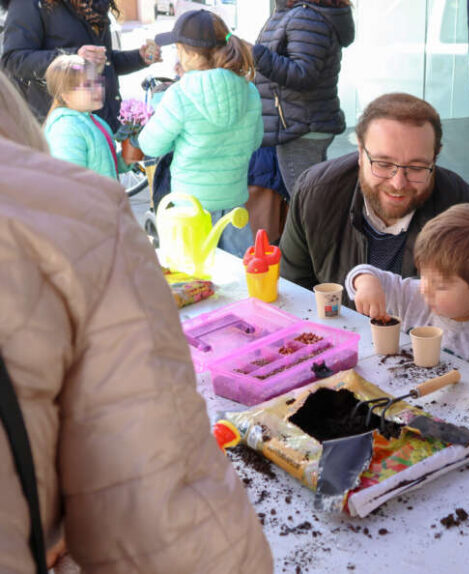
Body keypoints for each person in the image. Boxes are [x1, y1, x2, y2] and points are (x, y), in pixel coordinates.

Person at [0, 69, 272, 574]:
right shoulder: (68, 209)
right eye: (86, 82)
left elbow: (149, 142)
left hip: (190, 196)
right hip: (225, 198)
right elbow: (157, 512)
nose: (98, 89)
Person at [279, 92, 469, 300]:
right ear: (360, 152)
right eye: (383, 164)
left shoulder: (468, 215)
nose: (398, 183)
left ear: (435, 157)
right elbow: (294, 291)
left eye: (416, 167)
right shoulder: (315, 193)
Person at [139, 9, 262, 257]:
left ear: (191, 54)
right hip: (233, 204)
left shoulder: (180, 94)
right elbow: (255, 141)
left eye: (178, 49)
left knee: (196, 281)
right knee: (241, 283)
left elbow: (150, 146)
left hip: (191, 209)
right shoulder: (250, 91)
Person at [346, 204, 469, 361]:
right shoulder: (412, 296)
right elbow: (365, 273)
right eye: (423, 275)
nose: (425, 288)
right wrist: (367, 284)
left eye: (440, 285)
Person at [1, 0, 160, 131]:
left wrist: (139, 58)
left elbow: (103, 61)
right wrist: (73, 56)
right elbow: (13, 60)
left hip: (101, 120)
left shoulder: (95, 5)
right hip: (63, 126)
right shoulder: (28, 3)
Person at [254, 0, 355, 196]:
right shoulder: (299, 13)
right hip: (302, 123)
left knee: (306, 203)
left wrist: (259, 57)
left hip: (300, 128)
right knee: (314, 198)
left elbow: (302, 73)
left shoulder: (306, 17)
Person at [42, 54, 132, 179]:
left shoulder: (93, 120)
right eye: (88, 86)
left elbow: (106, 166)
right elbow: (69, 184)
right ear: (65, 95)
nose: (98, 89)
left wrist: (130, 151)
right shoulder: (66, 129)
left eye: (98, 82)